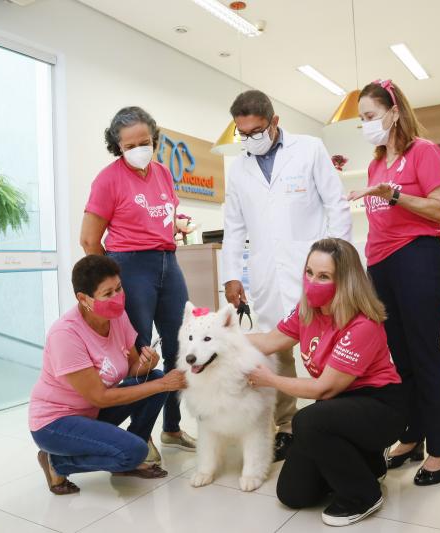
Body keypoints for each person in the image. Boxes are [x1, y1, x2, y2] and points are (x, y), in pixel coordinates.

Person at [222, 90, 352, 462]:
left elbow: (336, 204)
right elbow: (233, 226)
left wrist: (339, 262)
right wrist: (232, 275)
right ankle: (287, 426)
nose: (250, 139)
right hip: (266, 272)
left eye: (257, 130)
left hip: (315, 270)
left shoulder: (309, 149)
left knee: (328, 343)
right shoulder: (239, 168)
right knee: (277, 349)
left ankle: (338, 417)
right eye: (242, 134)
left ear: (275, 122)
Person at [246, 238, 405, 527]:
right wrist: (219, 341)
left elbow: (323, 388)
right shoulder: (307, 311)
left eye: (323, 276)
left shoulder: (362, 324)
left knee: (308, 421)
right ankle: (368, 463)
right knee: (292, 494)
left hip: (380, 406)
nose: (312, 282)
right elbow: (270, 341)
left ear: (345, 281)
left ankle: (364, 495)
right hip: (338, 408)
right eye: (309, 272)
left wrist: (270, 380)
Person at [348, 79, 440, 486]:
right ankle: (412, 435)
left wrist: (394, 195)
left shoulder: (422, 152)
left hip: (417, 259)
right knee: (399, 358)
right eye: (362, 119)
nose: (366, 125)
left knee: (426, 353)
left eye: (371, 116)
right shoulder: (376, 164)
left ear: (394, 113)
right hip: (382, 266)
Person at [80, 106, 196, 452]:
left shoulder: (162, 173)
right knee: (140, 351)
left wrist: (175, 228)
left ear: (155, 140)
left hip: (167, 262)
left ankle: (172, 428)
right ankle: (140, 433)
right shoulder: (107, 179)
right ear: (118, 146)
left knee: (181, 345)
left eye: (144, 142)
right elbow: (88, 239)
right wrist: (112, 280)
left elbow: (160, 216)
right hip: (130, 266)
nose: (138, 149)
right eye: (129, 145)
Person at [29, 255, 187, 494]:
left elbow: (133, 369)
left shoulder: (117, 317)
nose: (118, 297)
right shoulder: (66, 335)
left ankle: (125, 454)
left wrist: (147, 363)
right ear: (83, 299)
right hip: (55, 423)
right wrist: (163, 385)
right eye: (107, 293)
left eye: (119, 288)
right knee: (136, 446)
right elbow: (100, 397)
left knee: (153, 377)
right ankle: (56, 462)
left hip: (90, 413)